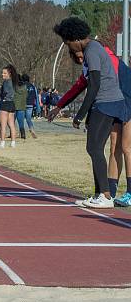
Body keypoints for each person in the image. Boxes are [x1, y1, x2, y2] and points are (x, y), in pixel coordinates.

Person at [53, 17, 128, 208]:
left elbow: (94, 85)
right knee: (95, 148)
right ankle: (99, 194)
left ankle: (106, 195)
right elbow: (86, 85)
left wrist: (81, 114)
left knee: (95, 148)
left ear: (75, 38)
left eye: (67, 42)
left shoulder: (92, 51)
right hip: (106, 103)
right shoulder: (93, 49)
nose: (68, 46)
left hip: (108, 102)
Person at [0, 65, 18, 148]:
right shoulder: (13, 82)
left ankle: (2, 143)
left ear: (9, 73)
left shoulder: (6, 82)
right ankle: (13, 143)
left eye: (4, 73)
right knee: (12, 125)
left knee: (3, 125)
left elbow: (5, 92)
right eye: (2, 73)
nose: (3, 75)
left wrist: (3, 98)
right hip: (12, 104)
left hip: (5, 103)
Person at [13, 74, 28, 140]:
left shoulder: (13, 86)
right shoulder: (25, 87)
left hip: (14, 106)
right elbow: (26, 95)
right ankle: (23, 134)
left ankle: (12, 134)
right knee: (21, 122)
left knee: (11, 122)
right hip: (22, 106)